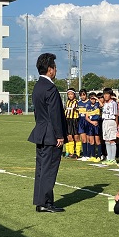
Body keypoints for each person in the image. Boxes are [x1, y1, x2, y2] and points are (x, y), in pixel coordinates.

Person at [28, 53, 67, 213]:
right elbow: (55, 114)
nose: (56, 71)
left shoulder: (38, 86)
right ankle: (45, 202)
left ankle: (41, 201)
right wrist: (59, 135)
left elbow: (39, 113)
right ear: (50, 69)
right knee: (49, 170)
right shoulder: (50, 87)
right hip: (51, 134)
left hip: (41, 131)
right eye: (55, 68)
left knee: (41, 169)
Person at [101, 88, 118, 165]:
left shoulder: (113, 103)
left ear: (110, 95)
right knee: (106, 140)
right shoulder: (105, 103)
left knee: (112, 140)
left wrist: (116, 125)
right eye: (104, 94)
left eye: (107, 94)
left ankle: (113, 158)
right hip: (105, 121)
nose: (106, 96)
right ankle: (109, 157)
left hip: (111, 121)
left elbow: (116, 115)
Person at [85, 92, 102, 162]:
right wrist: (91, 122)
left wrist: (97, 99)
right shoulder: (88, 106)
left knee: (97, 140)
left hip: (96, 124)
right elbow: (86, 117)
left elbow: (102, 105)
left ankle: (99, 156)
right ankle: (93, 155)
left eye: (94, 99)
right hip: (91, 124)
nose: (93, 100)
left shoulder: (97, 105)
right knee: (91, 141)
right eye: (91, 99)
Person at [64, 88, 80, 158]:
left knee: (76, 137)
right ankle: (70, 152)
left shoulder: (76, 102)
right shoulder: (67, 102)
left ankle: (78, 153)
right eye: (69, 94)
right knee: (69, 137)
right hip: (68, 120)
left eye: (71, 94)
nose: (70, 96)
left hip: (75, 120)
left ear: (74, 95)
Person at [77, 89, 91, 161]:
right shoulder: (78, 103)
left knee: (89, 138)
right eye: (81, 95)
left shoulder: (89, 102)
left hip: (88, 121)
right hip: (81, 121)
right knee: (83, 139)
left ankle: (89, 154)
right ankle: (84, 155)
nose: (82, 97)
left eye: (84, 95)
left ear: (86, 95)